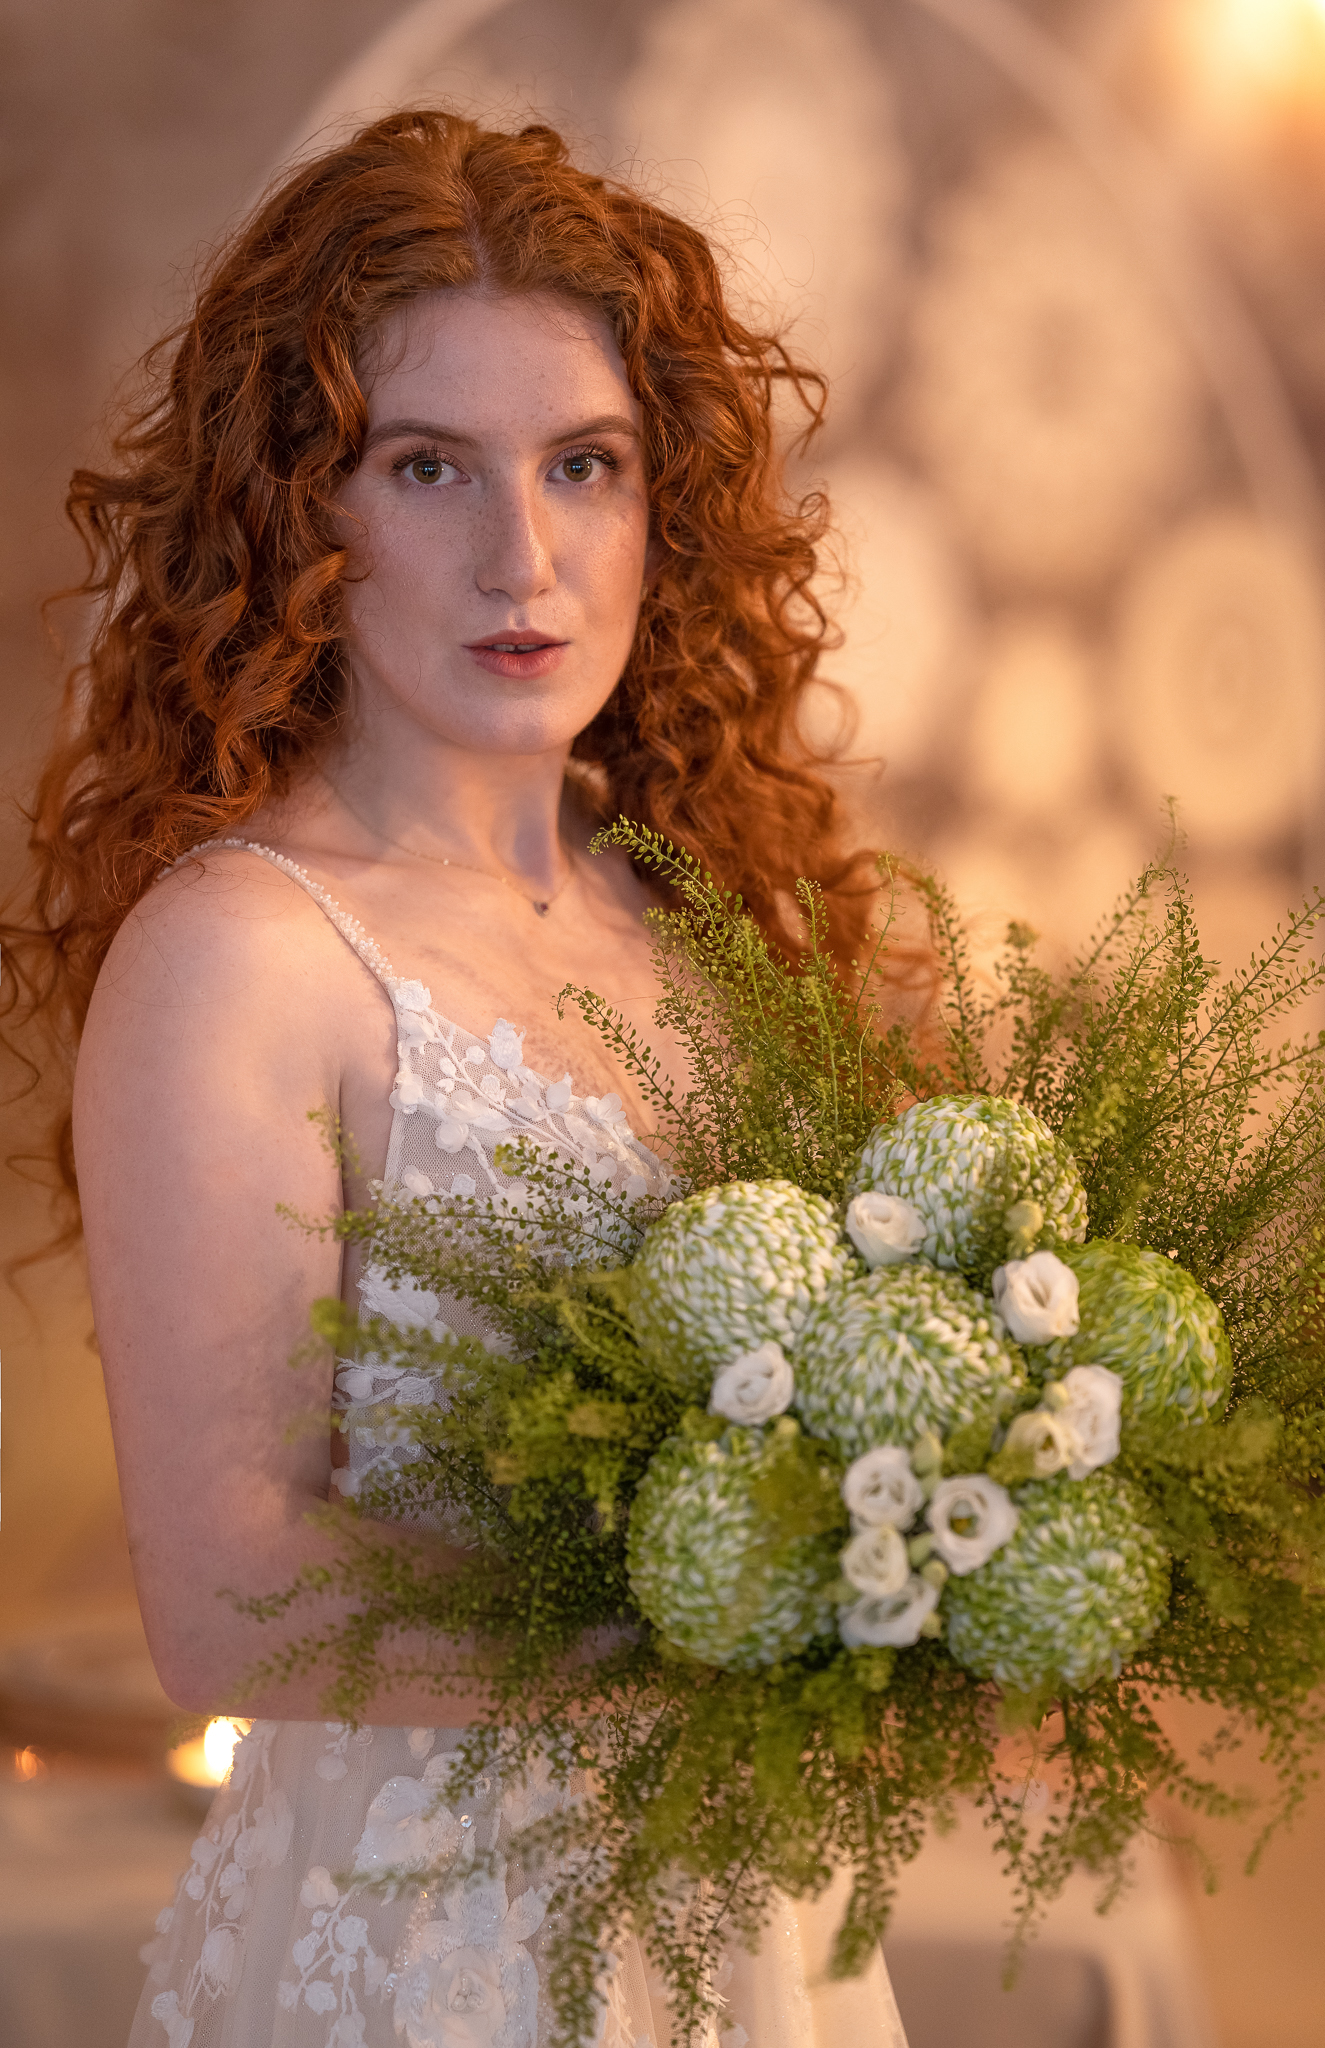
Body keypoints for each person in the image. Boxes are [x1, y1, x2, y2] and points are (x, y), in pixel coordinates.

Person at [8, 110, 912, 2047]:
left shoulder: (710, 917)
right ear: (297, 513)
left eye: (582, 463)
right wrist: (733, 1640)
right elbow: (230, 1599)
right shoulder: (242, 955)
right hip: (430, 1954)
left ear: (661, 501)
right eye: (427, 467)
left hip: (750, 1924)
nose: (525, 557)